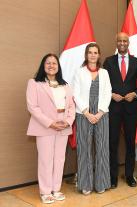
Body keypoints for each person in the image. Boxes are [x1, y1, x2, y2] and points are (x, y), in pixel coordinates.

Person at [26, 53, 75, 204]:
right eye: (48, 63)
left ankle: (56, 189)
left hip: (63, 125)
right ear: (43, 65)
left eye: (54, 63)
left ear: (58, 67)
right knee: (46, 159)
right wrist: (50, 123)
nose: (51, 65)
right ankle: (45, 191)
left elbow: (72, 106)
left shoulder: (65, 85)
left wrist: (68, 121)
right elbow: (32, 107)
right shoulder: (34, 83)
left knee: (59, 159)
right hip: (45, 126)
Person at [103, 32, 137, 188]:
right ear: (116, 43)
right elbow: (102, 84)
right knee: (112, 144)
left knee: (130, 144)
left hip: (130, 109)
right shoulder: (108, 62)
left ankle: (129, 176)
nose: (122, 43)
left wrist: (135, 94)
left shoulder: (136, 62)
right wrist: (110, 94)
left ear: (128, 43)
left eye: (125, 41)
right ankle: (112, 178)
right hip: (113, 109)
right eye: (120, 41)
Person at [72, 43, 112, 195]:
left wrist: (100, 112)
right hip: (83, 114)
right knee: (84, 149)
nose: (93, 55)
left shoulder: (105, 73)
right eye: (90, 52)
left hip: (102, 113)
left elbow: (108, 92)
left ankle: (101, 183)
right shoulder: (79, 72)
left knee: (102, 149)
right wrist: (87, 113)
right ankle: (85, 185)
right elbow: (75, 93)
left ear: (99, 55)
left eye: (95, 52)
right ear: (86, 55)